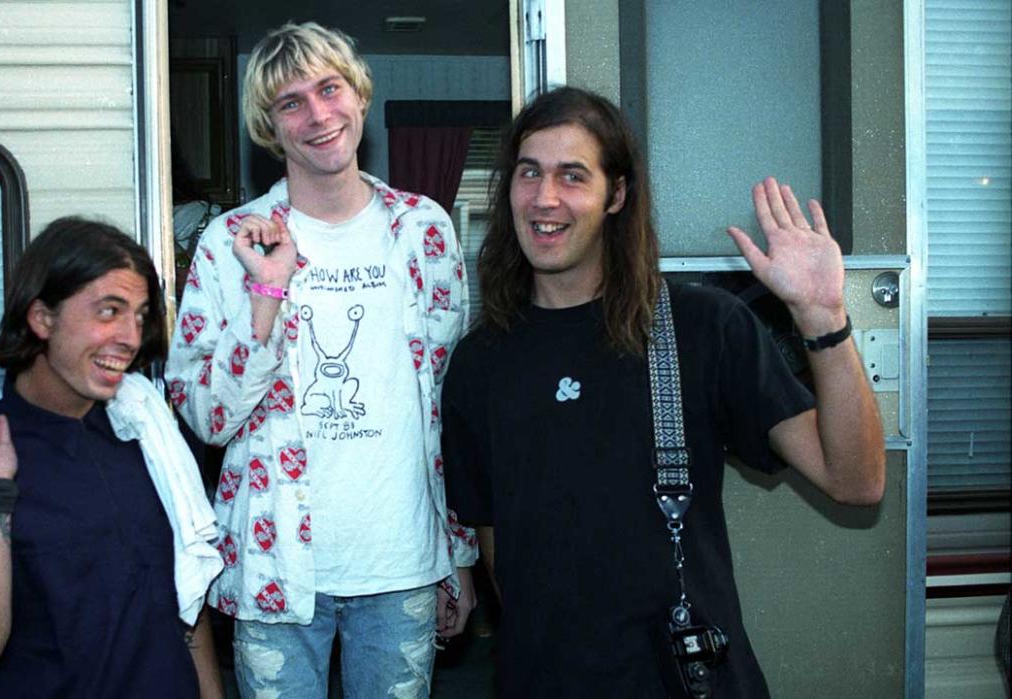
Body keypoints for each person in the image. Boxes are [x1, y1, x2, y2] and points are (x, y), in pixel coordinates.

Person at [442, 87, 886, 697]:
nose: (545, 198)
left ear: (616, 196)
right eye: (529, 173)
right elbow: (498, 549)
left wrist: (822, 314)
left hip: (685, 679)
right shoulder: (478, 361)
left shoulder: (703, 327)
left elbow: (858, 481)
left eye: (573, 176)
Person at [164, 21, 478, 698]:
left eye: (329, 89)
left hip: (403, 564)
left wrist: (457, 551)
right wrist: (267, 296)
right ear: (269, 127)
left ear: (359, 97)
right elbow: (206, 415)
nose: (318, 115)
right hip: (275, 568)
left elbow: (446, 406)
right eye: (291, 103)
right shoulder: (229, 242)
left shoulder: (424, 229)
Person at [0, 217, 223, 697]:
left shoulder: (147, 434)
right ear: (41, 318)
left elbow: (186, 605)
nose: (131, 338)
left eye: (139, 315)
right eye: (109, 311)